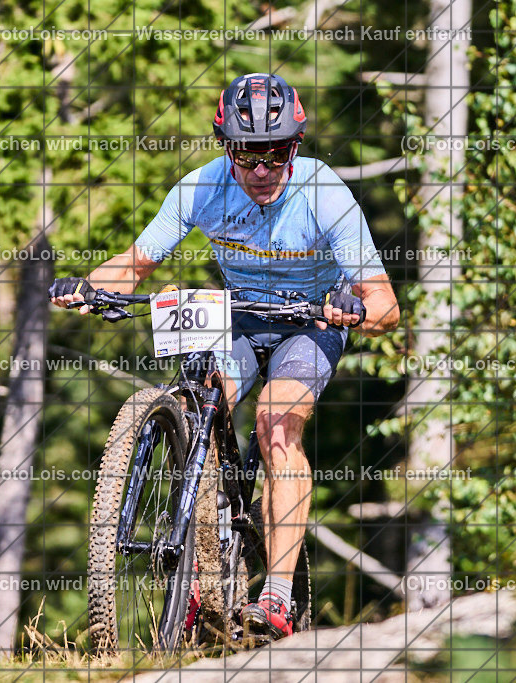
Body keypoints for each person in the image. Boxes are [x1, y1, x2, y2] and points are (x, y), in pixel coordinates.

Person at [49, 73, 399, 641]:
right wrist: (89, 286)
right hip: (237, 316)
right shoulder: (201, 187)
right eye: (246, 154)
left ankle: (279, 595)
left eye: (275, 153)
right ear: (225, 146)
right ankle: (202, 567)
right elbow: (135, 263)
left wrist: (354, 311)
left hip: (310, 323)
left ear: (295, 146)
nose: (261, 171)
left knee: (273, 420)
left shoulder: (326, 194)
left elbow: (386, 303)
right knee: (198, 404)